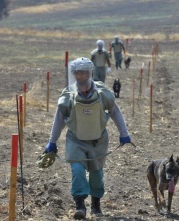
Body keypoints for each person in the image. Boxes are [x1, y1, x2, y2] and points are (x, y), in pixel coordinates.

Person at [45, 57, 132, 220]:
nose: (80, 76)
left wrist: (124, 133)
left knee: (96, 174)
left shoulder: (102, 93)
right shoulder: (69, 95)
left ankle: (96, 204)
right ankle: (80, 205)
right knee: (77, 171)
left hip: (97, 141)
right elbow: (59, 118)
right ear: (74, 74)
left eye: (83, 72)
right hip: (76, 140)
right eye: (77, 73)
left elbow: (115, 112)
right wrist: (52, 141)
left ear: (90, 72)